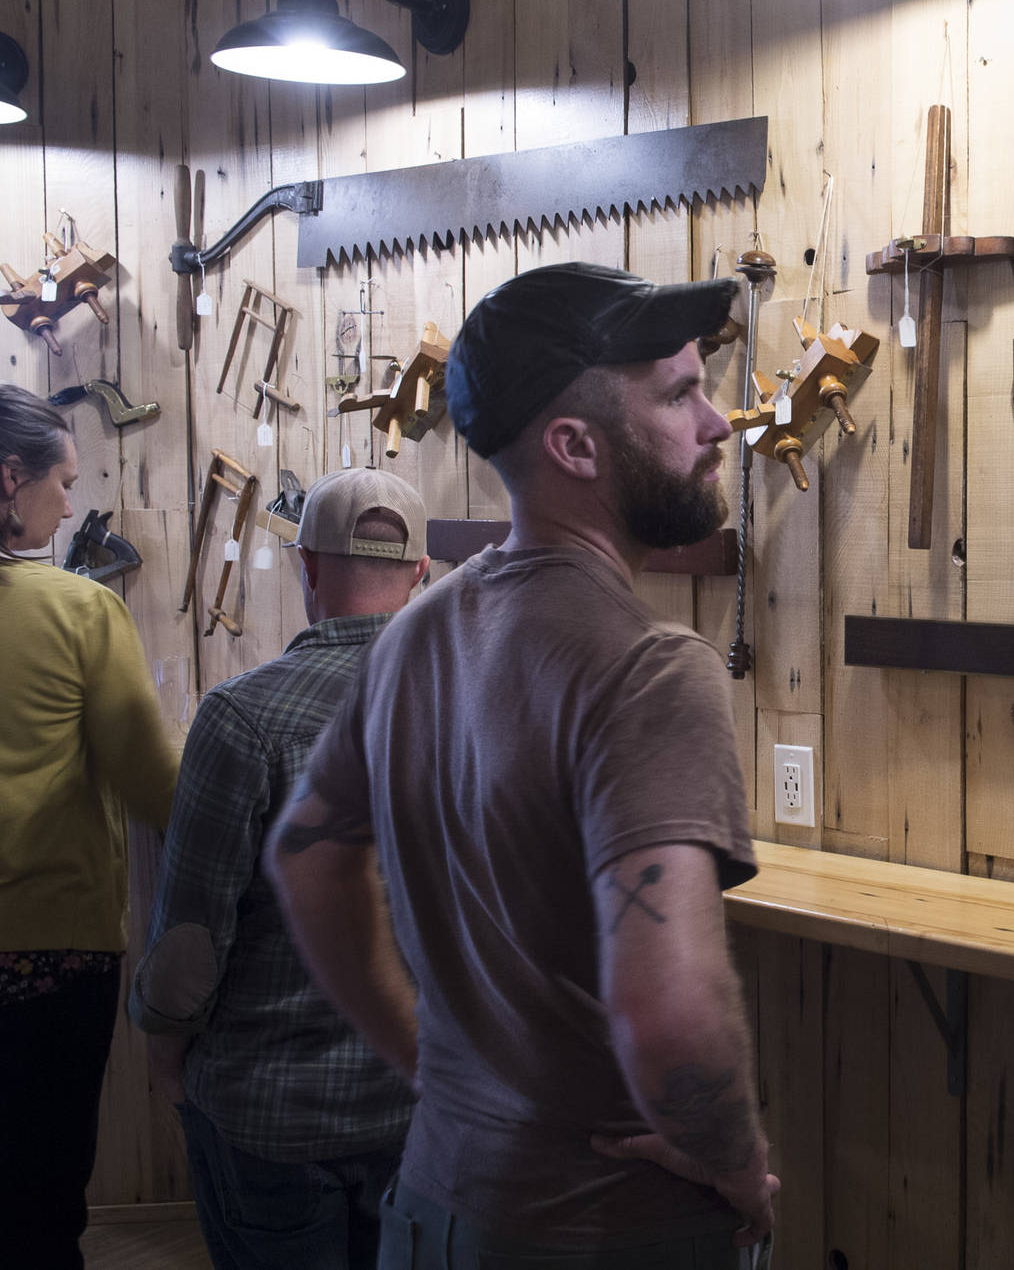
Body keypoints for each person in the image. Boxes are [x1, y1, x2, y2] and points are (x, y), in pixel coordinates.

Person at [264, 262, 776, 1269]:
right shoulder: (650, 667)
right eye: (680, 395)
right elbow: (670, 1012)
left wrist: (429, 1062)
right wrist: (735, 1161)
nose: (718, 424)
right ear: (575, 445)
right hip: (605, 1229)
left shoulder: (416, 635)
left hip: (435, 1205)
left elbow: (306, 858)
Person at [130, 468, 431, 1270]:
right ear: (422, 573)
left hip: (269, 1115)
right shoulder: (482, 712)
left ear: (308, 566)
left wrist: (166, 1058)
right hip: (422, 1112)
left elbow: (190, 937)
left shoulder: (241, 716)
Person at [0, 384, 180, 1270]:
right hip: (48, 949)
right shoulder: (78, 609)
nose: (71, 506)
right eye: (64, 483)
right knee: (38, 1203)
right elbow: (152, 783)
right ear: (11, 477)